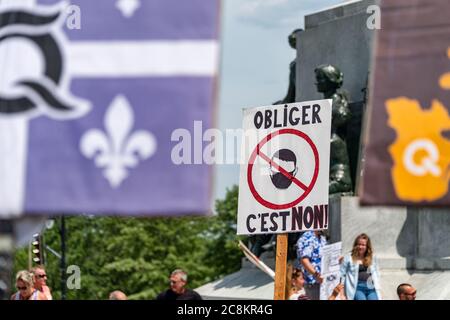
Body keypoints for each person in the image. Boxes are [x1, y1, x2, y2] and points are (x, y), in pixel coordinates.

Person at [340, 233, 382, 300]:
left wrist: (379, 289)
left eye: (363, 245)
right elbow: (341, 275)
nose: (360, 247)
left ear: (367, 246)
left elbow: (377, 273)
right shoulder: (349, 257)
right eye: (359, 244)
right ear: (355, 245)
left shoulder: (373, 257)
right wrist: (342, 294)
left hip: (371, 287)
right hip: (357, 288)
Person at [296, 230, 327, 300]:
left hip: (324, 281)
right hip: (313, 283)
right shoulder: (306, 238)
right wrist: (316, 274)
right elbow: (304, 259)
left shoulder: (322, 237)